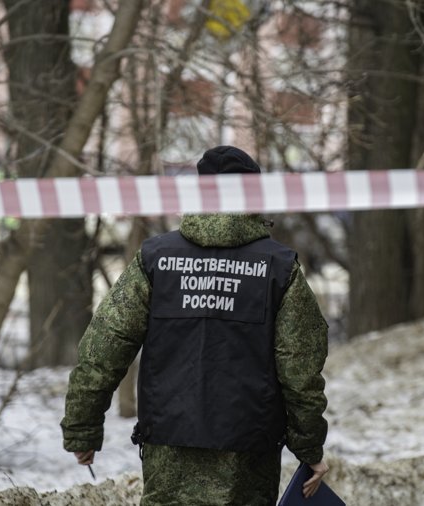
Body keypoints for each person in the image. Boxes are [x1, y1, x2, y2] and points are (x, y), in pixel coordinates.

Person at [61, 146, 330, 505]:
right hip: (248, 450)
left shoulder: (157, 259)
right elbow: (300, 371)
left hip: (168, 440)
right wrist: (309, 446)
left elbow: (105, 345)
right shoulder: (278, 269)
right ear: (253, 196)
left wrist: (83, 427)